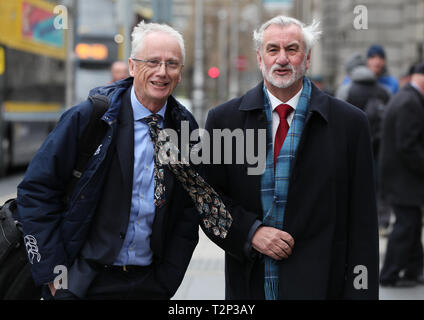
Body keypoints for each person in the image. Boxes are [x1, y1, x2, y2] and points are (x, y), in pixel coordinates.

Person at [16, 21, 200, 300]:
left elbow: (188, 211)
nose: (162, 72)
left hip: (149, 285)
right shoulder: (91, 118)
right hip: (83, 282)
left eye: (172, 64)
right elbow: (36, 191)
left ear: (180, 74)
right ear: (132, 66)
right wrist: (55, 275)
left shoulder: (185, 128)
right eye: (152, 61)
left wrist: (168, 279)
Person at [203, 15, 379, 299]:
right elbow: (207, 202)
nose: (282, 59)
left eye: (292, 49)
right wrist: (250, 232)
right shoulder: (225, 120)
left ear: (307, 59)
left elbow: (363, 224)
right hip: (250, 286)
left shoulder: (350, 124)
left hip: (323, 288)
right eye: (273, 50)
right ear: (260, 58)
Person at [378, 61, 424, 287]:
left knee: (412, 224)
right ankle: (389, 274)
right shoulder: (411, 102)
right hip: (404, 179)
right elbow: (408, 145)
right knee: (406, 226)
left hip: (399, 178)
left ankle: (414, 271)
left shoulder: (406, 97)